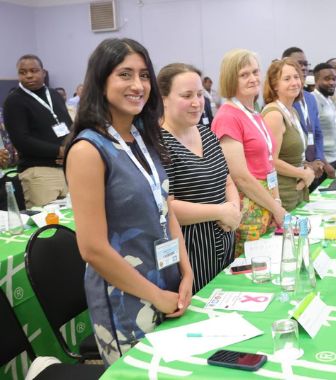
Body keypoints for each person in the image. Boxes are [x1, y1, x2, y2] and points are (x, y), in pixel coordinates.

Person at [65, 38, 193, 365]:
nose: (138, 85)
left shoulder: (142, 137)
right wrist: (156, 297)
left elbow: (166, 209)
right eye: (125, 74)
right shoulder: (88, 150)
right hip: (125, 299)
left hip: (168, 284)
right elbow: (92, 249)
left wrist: (187, 270)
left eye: (144, 75)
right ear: (101, 80)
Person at [158, 63, 240, 292]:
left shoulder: (207, 133)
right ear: (164, 98)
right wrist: (219, 211)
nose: (196, 102)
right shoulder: (160, 144)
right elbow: (167, 207)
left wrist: (233, 208)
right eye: (187, 96)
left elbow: (227, 180)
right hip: (190, 252)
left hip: (224, 242)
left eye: (199, 94)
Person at [211, 49, 286, 255]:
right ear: (230, 79)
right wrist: (276, 207)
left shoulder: (253, 113)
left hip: (265, 201)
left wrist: (276, 201)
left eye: (255, 72)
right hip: (248, 207)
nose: (253, 78)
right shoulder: (228, 116)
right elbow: (241, 177)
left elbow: (268, 162)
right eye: (244, 75)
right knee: (254, 270)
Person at [3, 54, 71, 207]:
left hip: (67, 169)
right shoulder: (14, 101)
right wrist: (59, 151)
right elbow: (22, 140)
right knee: (47, 225)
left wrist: (70, 150)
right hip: (38, 172)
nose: (28, 76)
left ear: (43, 72)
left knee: (70, 222)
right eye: (23, 72)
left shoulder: (54, 94)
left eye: (34, 70)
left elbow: (68, 126)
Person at [261, 58, 315, 211]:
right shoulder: (274, 115)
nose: (294, 82)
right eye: (287, 79)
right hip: (283, 195)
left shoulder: (293, 111)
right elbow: (271, 161)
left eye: (296, 77)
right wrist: (303, 174)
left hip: (297, 190)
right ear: (274, 85)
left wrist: (307, 171)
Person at [281, 47, 327, 191]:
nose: (304, 67)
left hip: (315, 169)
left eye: (306, 63)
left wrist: (318, 160)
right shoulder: (282, 101)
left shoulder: (310, 98)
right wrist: (306, 165)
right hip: (293, 174)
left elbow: (318, 133)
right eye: (299, 63)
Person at [312, 63, 336, 172]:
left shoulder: (329, 101)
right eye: (327, 79)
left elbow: (334, 131)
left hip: (334, 159)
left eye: (333, 79)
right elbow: (312, 136)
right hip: (322, 165)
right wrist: (325, 164)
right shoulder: (313, 100)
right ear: (316, 81)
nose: (332, 83)